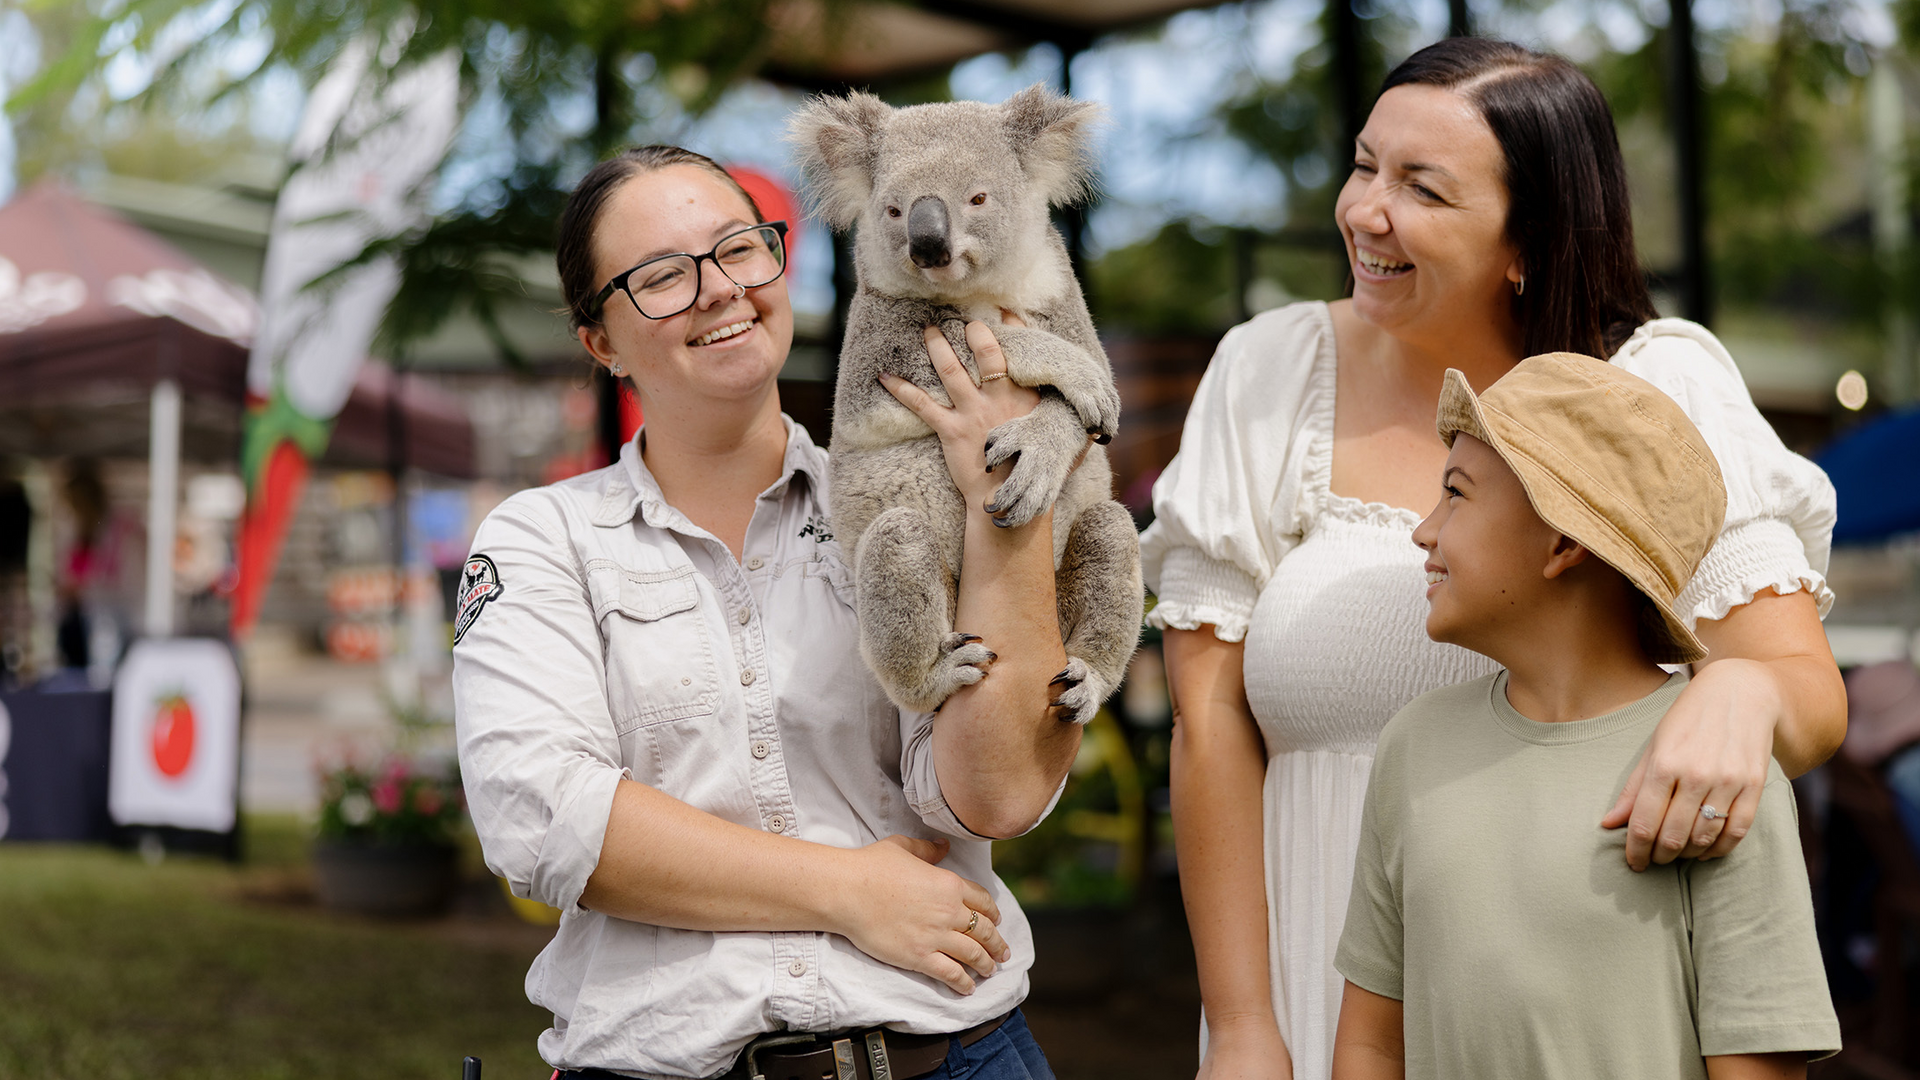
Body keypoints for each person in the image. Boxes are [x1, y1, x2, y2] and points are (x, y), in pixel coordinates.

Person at [1143, 38, 1845, 1080]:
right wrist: (1244, 1024)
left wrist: (1740, 691)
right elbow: (1208, 718)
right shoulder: (1268, 369)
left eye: (1423, 189)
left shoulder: (1654, 389)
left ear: (1530, 239)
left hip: (1566, 987)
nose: (1365, 212)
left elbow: (1807, 695)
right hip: (1300, 974)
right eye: (1364, 164)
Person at [451, 145, 1077, 1080]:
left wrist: (1003, 501)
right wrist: (850, 890)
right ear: (601, 342)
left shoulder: (908, 504)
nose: (718, 290)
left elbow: (997, 795)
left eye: (739, 248)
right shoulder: (543, 540)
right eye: (661, 275)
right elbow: (549, 822)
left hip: (957, 1056)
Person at [1330, 353, 1840, 1079]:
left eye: (1456, 495)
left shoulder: (1718, 775)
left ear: (1564, 542)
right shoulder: (1412, 747)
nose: (1423, 530)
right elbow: (1372, 1043)